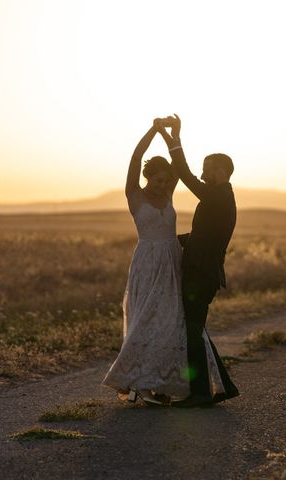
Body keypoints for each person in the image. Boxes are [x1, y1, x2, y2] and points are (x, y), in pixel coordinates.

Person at [101, 122, 226, 405]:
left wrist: (174, 138)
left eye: (166, 181)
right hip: (147, 263)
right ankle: (141, 384)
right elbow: (135, 159)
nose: (163, 185)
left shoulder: (169, 193)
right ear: (148, 178)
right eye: (158, 180)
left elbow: (179, 168)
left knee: (171, 323)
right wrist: (154, 131)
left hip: (172, 263)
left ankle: (166, 382)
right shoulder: (134, 195)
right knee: (145, 320)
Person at [156, 114, 240, 407]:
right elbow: (203, 235)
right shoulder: (220, 198)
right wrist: (170, 241)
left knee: (192, 332)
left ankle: (202, 393)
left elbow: (186, 175)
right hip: (203, 272)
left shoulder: (217, 196)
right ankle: (224, 387)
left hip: (201, 274)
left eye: (207, 171)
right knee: (196, 329)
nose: (202, 176)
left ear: (219, 172)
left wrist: (174, 140)